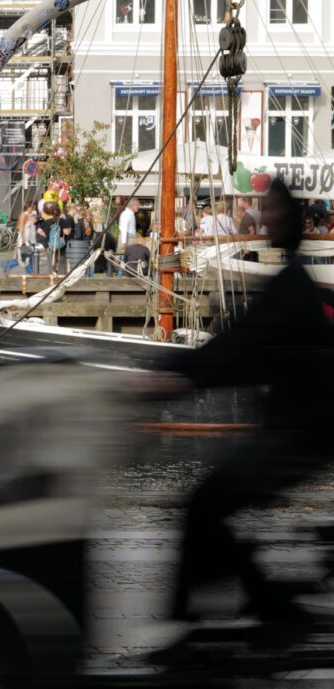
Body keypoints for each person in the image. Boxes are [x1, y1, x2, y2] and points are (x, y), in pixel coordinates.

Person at [140, 179, 334, 659]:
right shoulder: (293, 284)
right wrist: (186, 374)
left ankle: (223, 615)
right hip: (300, 433)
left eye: (269, 213)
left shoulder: (289, 289)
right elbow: (243, 347)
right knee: (217, 502)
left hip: (297, 438)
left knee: (206, 502)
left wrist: (173, 378)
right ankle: (259, 603)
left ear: (285, 224)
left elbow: (238, 348)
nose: (262, 220)